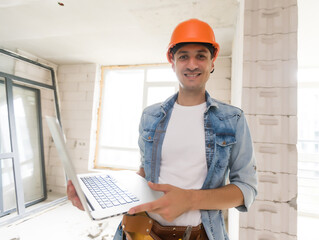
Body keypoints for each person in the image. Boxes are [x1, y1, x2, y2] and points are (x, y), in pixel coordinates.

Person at [67, 18, 258, 240]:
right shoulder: (151, 116)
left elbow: (246, 188)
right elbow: (145, 175)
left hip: (200, 234)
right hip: (144, 230)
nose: (192, 64)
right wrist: (98, 201)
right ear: (173, 62)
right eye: (183, 56)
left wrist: (190, 199)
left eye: (201, 56)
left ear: (212, 62)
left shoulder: (232, 119)